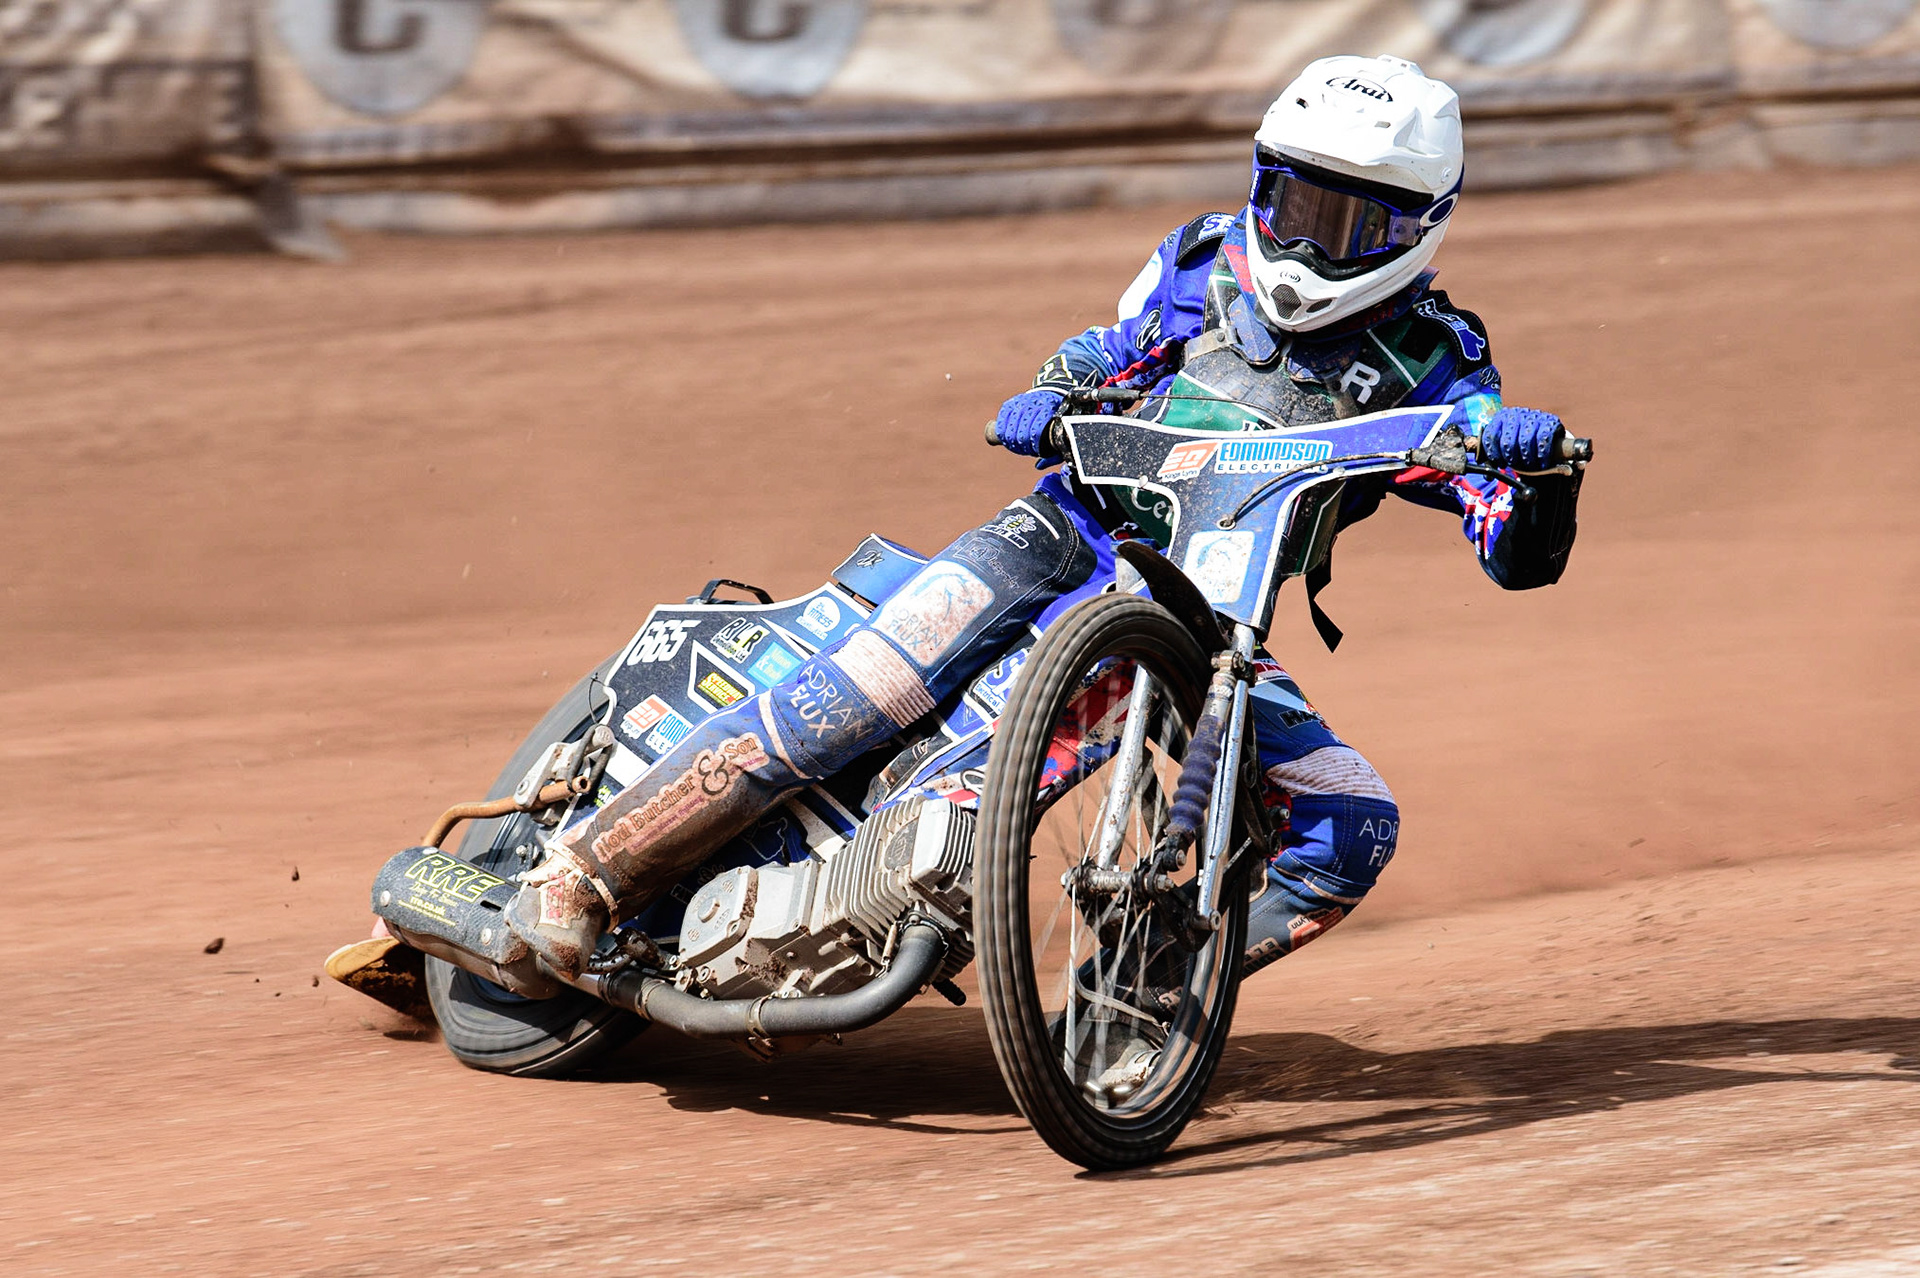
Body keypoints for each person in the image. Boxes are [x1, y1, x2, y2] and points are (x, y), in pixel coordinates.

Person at [504, 54, 1585, 986]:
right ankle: (582, 874)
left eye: (1351, 219)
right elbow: (1102, 353)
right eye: (1294, 201)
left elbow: (1506, 538)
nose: (1308, 238)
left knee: (1352, 824)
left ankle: (1156, 984)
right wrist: (1051, 390)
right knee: (856, 692)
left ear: (1420, 228)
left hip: (1213, 630)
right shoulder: (1204, 262)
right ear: (1262, 184)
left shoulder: (1442, 361)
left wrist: (1534, 483)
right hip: (1061, 536)